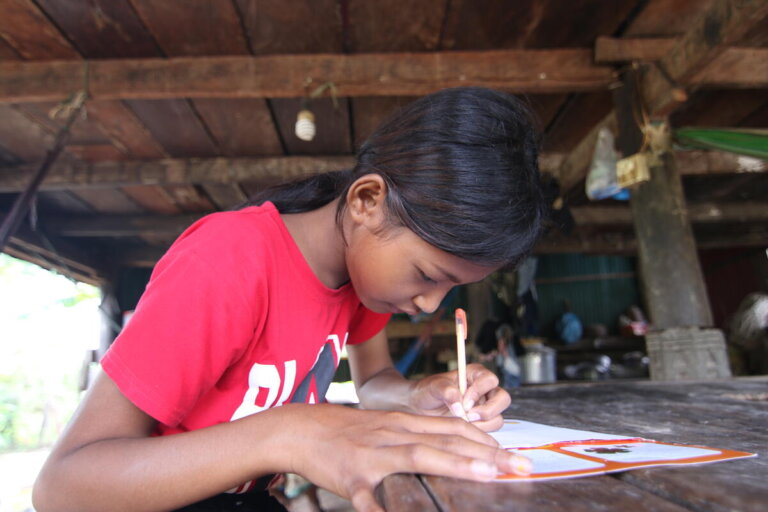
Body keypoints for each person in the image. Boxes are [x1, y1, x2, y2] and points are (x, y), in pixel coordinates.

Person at [32, 87, 548, 512]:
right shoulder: (229, 263)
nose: (432, 304)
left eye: (452, 288)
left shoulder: (365, 283)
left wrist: (418, 397)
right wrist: (285, 434)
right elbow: (63, 487)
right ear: (367, 201)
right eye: (427, 274)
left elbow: (373, 383)